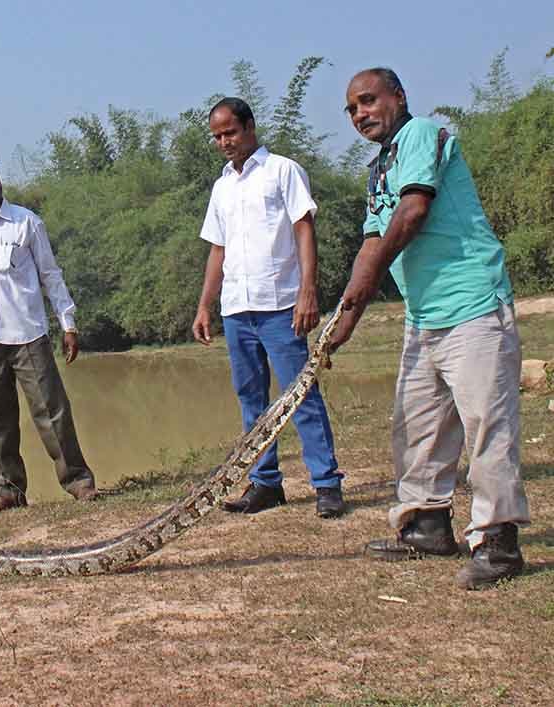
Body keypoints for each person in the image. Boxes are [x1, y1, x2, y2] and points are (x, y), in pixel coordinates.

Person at [330, 68, 530, 589]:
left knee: (488, 427)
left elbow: (414, 210)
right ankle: (425, 526)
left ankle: (499, 542)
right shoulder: (378, 169)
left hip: (472, 306)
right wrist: (344, 319)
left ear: (398, 96)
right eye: (352, 109)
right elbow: (373, 243)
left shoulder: (419, 134)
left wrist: (368, 281)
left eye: (368, 101)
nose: (360, 114)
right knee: (416, 427)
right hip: (424, 318)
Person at [192, 97, 345, 519]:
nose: (224, 142)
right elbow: (217, 249)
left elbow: (304, 229)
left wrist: (308, 291)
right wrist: (205, 305)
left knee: (301, 394)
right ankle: (264, 482)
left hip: (281, 305)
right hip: (237, 309)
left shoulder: (282, 171)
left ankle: (327, 484)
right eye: (217, 136)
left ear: (250, 127)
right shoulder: (222, 186)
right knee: (251, 399)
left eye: (230, 132)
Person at [0, 154, 98, 514]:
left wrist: (68, 322)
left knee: (51, 411)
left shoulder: (26, 222)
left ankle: (78, 481)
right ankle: (10, 490)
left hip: (28, 336)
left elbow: (51, 274)